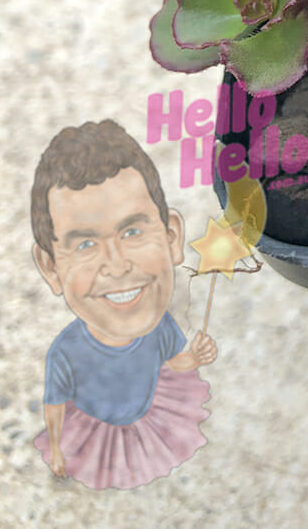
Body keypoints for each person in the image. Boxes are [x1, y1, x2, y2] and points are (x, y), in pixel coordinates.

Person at [30, 121, 216, 490]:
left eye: (132, 232)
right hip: (93, 426)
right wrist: (57, 447)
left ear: (172, 238)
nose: (116, 266)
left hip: (147, 414)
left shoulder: (162, 326)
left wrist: (193, 359)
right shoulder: (65, 352)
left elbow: (169, 364)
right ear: (50, 268)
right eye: (85, 245)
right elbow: (54, 404)